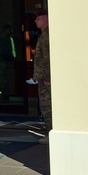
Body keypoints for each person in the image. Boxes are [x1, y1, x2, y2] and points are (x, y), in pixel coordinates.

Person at [32, 9, 51, 144]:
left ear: (46, 19)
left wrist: (49, 78)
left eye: (38, 18)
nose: (35, 21)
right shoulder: (44, 35)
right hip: (43, 79)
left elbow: (48, 58)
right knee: (45, 107)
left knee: (47, 107)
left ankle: (51, 135)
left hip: (46, 81)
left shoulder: (47, 36)